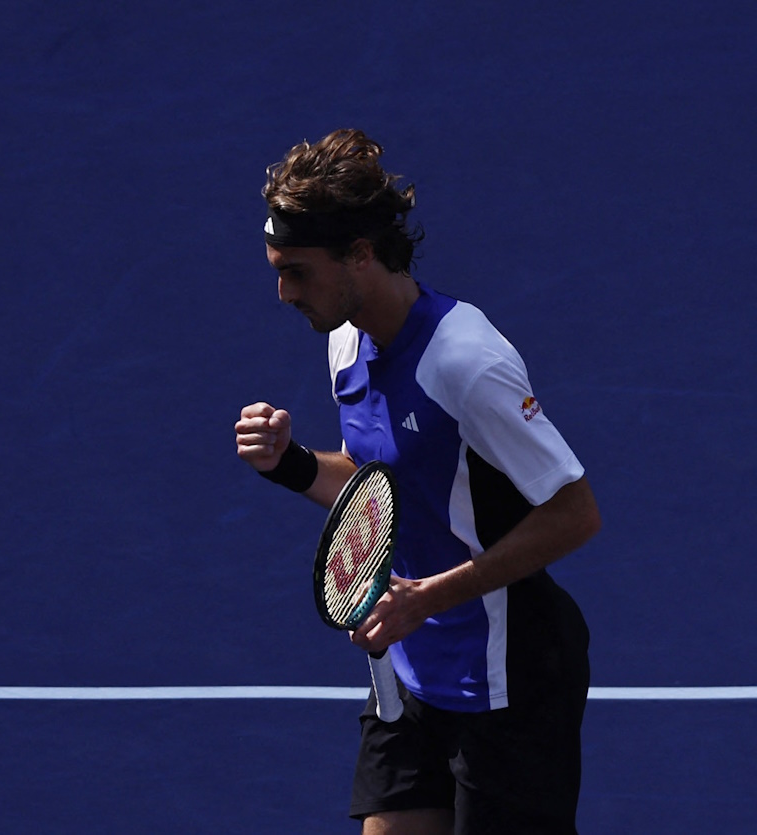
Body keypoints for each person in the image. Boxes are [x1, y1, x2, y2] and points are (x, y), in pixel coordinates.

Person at [235, 129, 602, 835]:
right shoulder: (347, 340)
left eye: (298, 271)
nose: (283, 293)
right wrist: (290, 463)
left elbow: (575, 512)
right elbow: (382, 488)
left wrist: (428, 596)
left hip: (507, 681)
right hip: (406, 672)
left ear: (361, 256)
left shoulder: (465, 362)